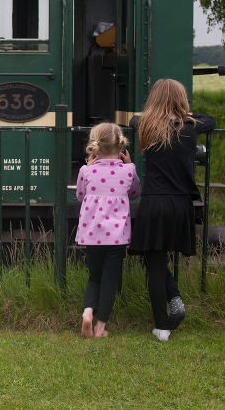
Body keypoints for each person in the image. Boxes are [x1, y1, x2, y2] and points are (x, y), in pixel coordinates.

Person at [129, 79, 216, 342]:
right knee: (156, 259)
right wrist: (183, 114)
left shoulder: (145, 125)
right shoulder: (191, 128)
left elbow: (134, 118)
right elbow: (210, 119)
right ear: (181, 100)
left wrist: (156, 112)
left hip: (155, 202)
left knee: (154, 262)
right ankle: (175, 297)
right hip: (181, 204)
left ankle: (162, 325)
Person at [76, 122, 141, 338]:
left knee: (94, 277)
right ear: (121, 147)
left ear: (95, 147)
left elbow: (80, 195)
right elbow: (134, 194)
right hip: (116, 238)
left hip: (92, 235)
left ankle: (87, 313)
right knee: (110, 281)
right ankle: (100, 327)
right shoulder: (128, 170)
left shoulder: (86, 170)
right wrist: (130, 164)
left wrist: (89, 166)